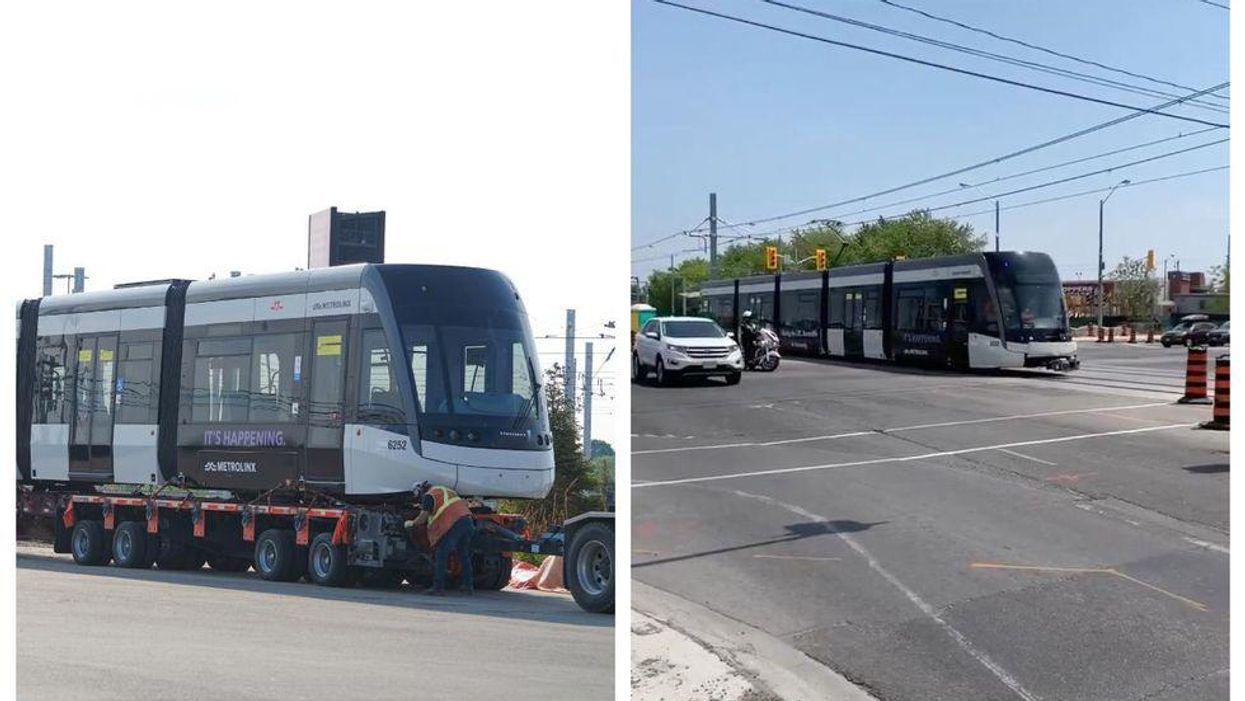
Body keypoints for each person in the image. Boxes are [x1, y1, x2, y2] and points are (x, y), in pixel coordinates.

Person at [408, 481, 475, 595]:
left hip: (454, 523)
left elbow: (423, 518)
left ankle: (438, 588)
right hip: (467, 522)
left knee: (441, 554)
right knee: (463, 555)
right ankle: (468, 586)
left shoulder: (429, 496)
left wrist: (412, 523)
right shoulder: (446, 491)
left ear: (420, 491)